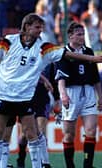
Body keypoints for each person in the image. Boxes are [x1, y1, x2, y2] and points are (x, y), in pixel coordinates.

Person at [0, 13, 102, 168]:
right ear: (27, 26)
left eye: (42, 27)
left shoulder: (44, 46)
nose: (40, 30)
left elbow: (67, 54)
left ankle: (39, 165)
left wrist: (93, 59)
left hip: (24, 98)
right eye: (37, 27)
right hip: (4, 95)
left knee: (32, 134)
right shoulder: (9, 40)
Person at [55, 21, 102, 168]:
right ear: (70, 36)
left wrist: (100, 96)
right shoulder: (63, 53)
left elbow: (95, 78)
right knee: (69, 134)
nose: (82, 37)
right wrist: (63, 95)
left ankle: (88, 164)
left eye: (83, 34)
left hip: (88, 92)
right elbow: (60, 78)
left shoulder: (88, 51)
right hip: (71, 93)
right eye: (78, 34)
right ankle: (70, 165)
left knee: (91, 130)